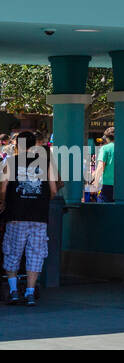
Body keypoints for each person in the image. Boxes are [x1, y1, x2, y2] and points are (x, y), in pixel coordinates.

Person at [0, 131, 59, 305]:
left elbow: (3, 188)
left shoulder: (10, 162)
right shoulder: (46, 163)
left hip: (16, 215)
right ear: (35, 145)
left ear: (18, 144)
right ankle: (30, 292)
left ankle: (13, 290)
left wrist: (3, 202)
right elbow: (54, 190)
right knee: (36, 254)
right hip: (39, 217)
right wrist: (41, 202)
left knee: (12, 253)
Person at [93, 127, 116, 203]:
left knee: (103, 211)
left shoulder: (105, 148)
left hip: (106, 185)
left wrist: (95, 184)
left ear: (107, 138)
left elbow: (100, 167)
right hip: (121, 186)